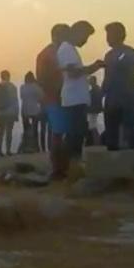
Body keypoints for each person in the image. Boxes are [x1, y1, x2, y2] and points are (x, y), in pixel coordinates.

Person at [57, 21, 104, 173]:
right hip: (73, 99)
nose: (85, 41)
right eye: (85, 37)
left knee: (77, 133)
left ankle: (71, 166)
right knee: (74, 135)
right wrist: (93, 67)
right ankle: (71, 167)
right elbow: (73, 73)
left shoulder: (70, 49)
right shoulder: (66, 49)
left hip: (77, 98)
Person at [102, 22, 134, 150]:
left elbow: (130, 75)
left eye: (110, 35)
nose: (107, 38)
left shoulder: (128, 53)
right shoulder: (110, 55)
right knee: (112, 135)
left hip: (126, 99)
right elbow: (107, 78)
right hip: (113, 99)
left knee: (128, 133)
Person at [36, 24, 69, 171]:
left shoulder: (52, 52)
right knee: (57, 132)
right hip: (55, 97)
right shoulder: (50, 54)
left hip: (57, 97)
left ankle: (59, 164)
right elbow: (43, 79)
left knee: (58, 131)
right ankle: (57, 166)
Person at [0, 70, 20, 157]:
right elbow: (15, 101)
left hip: (0, 112)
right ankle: (8, 150)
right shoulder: (12, 87)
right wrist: (16, 113)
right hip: (10, 112)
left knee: (0, 131)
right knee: (9, 131)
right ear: (9, 76)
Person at [19, 72, 45, 154]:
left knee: (26, 129)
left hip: (25, 110)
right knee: (35, 129)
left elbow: (22, 97)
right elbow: (41, 97)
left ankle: (26, 146)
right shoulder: (36, 87)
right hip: (35, 110)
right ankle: (36, 147)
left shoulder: (22, 87)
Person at [86, 76, 104, 146]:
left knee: (92, 127)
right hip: (96, 110)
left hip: (93, 110)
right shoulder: (98, 89)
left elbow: (90, 101)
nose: (89, 82)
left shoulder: (94, 91)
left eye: (90, 80)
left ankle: (97, 142)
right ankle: (97, 142)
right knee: (93, 126)